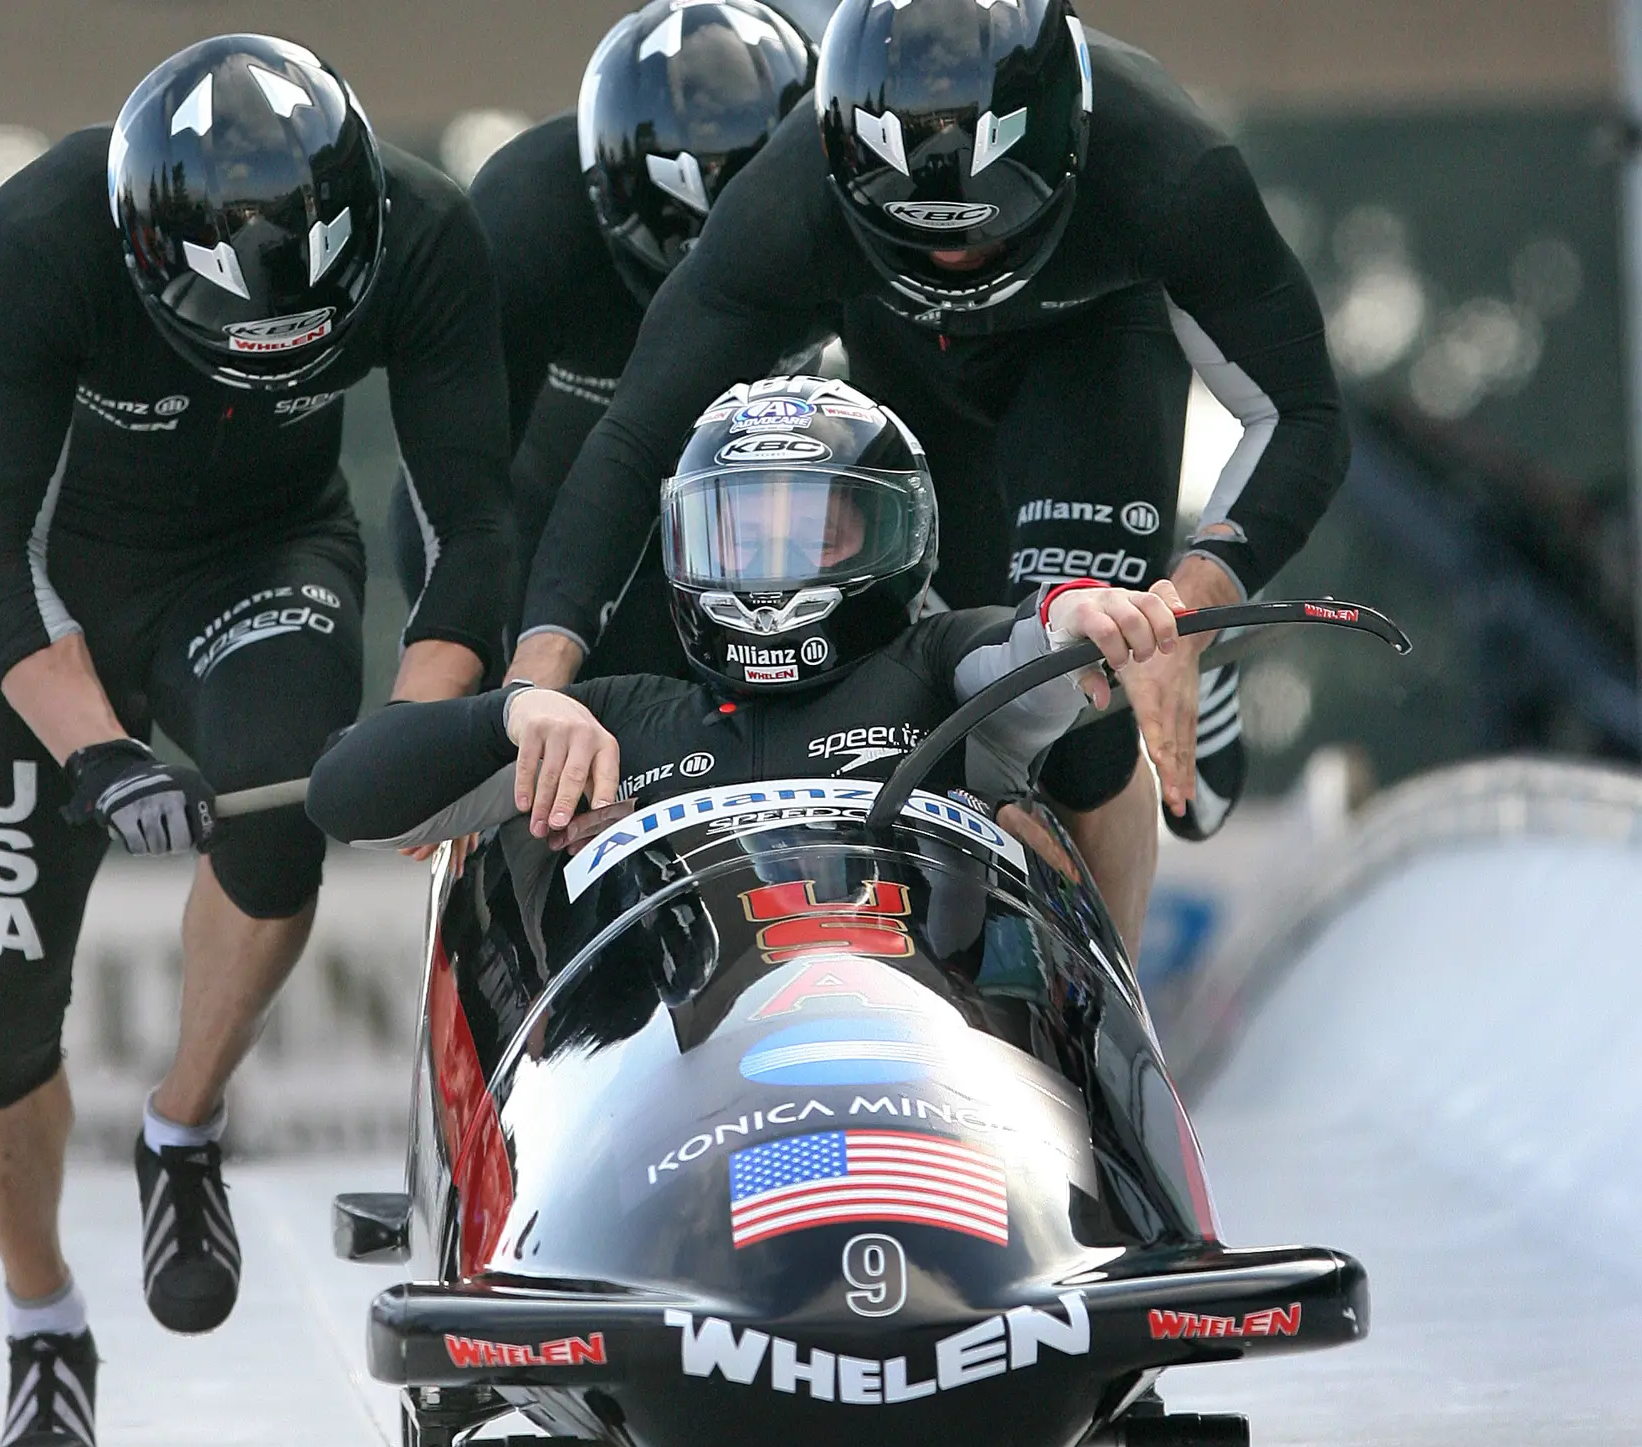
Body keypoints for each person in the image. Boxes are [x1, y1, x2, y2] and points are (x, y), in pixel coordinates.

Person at [0, 34, 510, 1447]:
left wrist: (411, 728)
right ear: (141, 256)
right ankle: (43, 1320)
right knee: (3, 1011)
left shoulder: (427, 232)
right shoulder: (38, 240)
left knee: (278, 819)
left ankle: (181, 1127)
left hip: (262, 559)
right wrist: (103, 752)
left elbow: (470, 533)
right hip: (57, 609)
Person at [504, 0, 1350, 954]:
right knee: (955, 677)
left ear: (1068, 156)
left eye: (988, 235)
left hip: (1089, 351)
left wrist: (1187, 606)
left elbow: (1303, 415)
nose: (955, 260)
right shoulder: (788, 202)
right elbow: (634, 441)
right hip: (911, 371)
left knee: (1082, 704)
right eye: (921, 237)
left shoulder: (1170, 168)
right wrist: (535, 691)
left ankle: (1115, 1030)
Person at [308, 381, 1183, 871]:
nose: (771, 565)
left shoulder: (936, 673)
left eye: (812, 530)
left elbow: (1022, 650)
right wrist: (519, 711)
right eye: (742, 534)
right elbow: (344, 791)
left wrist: (1078, 612)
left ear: (895, 535)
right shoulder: (617, 726)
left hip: (929, 1063)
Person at [385, 0, 819, 677]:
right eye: (698, 254)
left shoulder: (840, 201)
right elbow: (457, 502)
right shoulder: (527, 219)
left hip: (745, 508)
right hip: (551, 502)